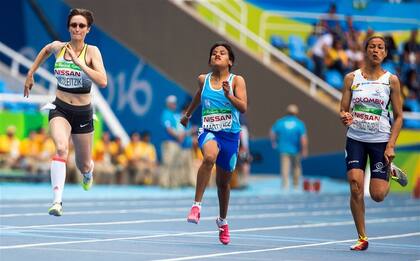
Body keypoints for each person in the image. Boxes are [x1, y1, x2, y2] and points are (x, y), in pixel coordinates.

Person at [24, 8, 107, 216]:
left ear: (88, 30)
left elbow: (103, 81)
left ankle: (88, 172)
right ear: (68, 28)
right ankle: (57, 202)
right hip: (60, 107)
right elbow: (45, 50)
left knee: (83, 163)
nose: (77, 29)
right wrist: (31, 72)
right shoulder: (59, 47)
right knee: (61, 149)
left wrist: (80, 63)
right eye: (73, 25)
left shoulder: (92, 52)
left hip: (83, 112)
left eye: (81, 26)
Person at [339, 35, 408, 251]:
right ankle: (362, 237)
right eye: (372, 47)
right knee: (355, 185)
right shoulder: (351, 78)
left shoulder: (391, 80)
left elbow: (398, 116)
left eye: (380, 48)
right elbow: (343, 109)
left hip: (380, 141)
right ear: (365, 51)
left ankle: (390, 170)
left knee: (377, 195)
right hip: (356, 139)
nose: (376, 50)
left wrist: (391, 145)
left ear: (385, 53)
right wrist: (345, 117)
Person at [180, 42, 247, 245]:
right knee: (209, 157)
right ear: (210, 60)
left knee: (223, 184)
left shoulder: (237, 80)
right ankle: (196, 206)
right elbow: (199, 95)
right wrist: (188, 114)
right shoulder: (204, 79)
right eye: (214, 53)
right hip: (209, 131)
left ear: (230, 61)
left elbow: (243, 107)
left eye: (222, 53)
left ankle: (223, 221)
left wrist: (229, 95)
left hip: (230, 136)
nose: (217, 55)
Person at [270, 104, 308, 190]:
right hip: (296, 149)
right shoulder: (299, 124)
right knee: (296, 168)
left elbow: (272, 133)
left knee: (285, 169)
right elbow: (303, 138)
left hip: (284, 149)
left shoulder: (280, 122)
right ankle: (296, 185)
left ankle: (285, 186)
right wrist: (304, 149)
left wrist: (274, 142)